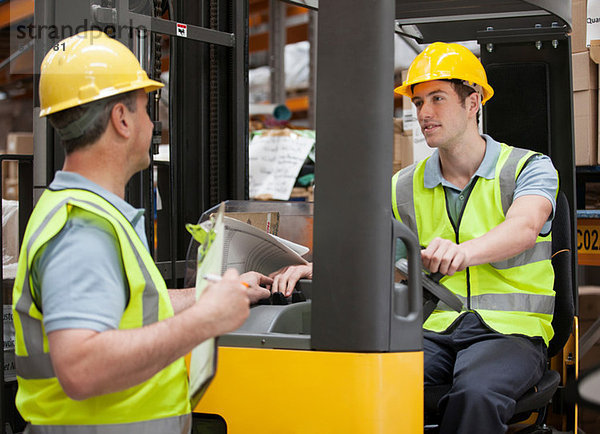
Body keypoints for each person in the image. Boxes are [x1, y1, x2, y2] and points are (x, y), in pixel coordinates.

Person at [11, 31, 271, 433]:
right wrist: (206, 318)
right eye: (147, 109)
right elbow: (81, 367)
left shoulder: (92, 214)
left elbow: (130, 306)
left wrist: (212, 295)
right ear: (122, 119)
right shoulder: (83, 228)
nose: (153, 123)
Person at [392, 42, 557, 433]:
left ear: (473, 102)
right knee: (373, 379)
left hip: (512, 330)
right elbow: (370, 248)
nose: (424, 113)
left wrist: (462, 253)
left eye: (437, 98)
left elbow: (524, 228)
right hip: (434, 329)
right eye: (418, 102)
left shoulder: (528, 168)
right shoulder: (402, 185)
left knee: (476, 394)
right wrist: (309, 268)